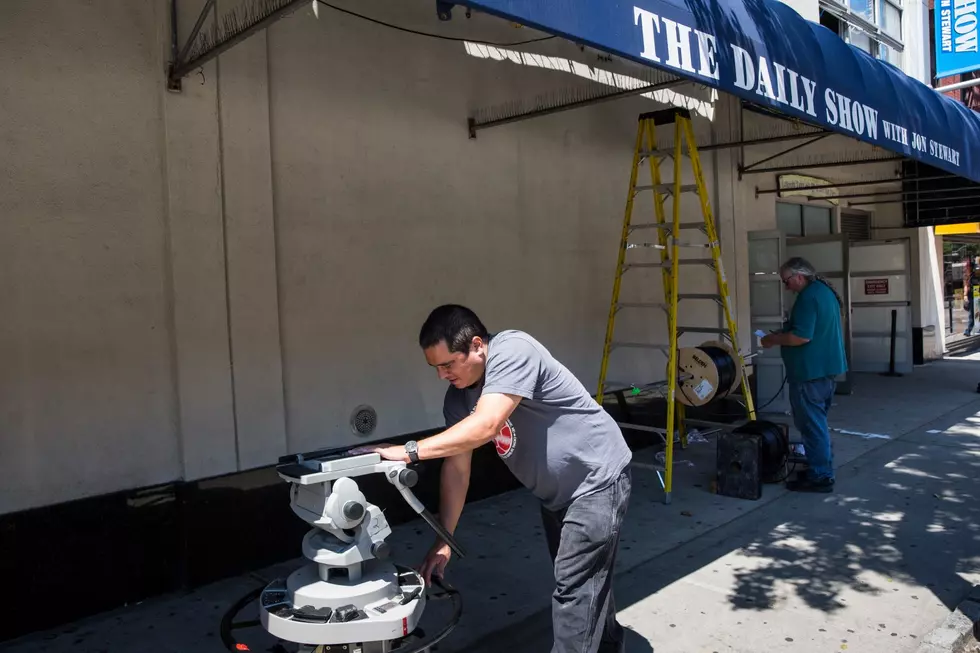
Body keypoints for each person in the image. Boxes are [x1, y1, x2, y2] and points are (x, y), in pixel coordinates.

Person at [351, 304, 633, 653]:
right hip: (556, 493)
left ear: (478, 345)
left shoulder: (514, 349)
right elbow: (457, 469)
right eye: (435, 368)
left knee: (574, 589)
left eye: (447, 364)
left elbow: (486, 425)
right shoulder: (458, 398)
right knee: (588, 583)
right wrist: (444, 539)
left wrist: (410, 450)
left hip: (596, 480)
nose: (442, 375)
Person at [761, 257, 847, 493]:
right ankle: (820, 465)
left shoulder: (808, 298)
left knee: (811, 425)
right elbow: (807, 329)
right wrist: (785, 331)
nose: (786, 286)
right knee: (817, 422)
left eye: (786, 281)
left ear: (799, 276)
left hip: (810, 372)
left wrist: (773, 339)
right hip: (824, 370)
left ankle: (820, 475)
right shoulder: (823, 292)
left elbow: (801, 337)